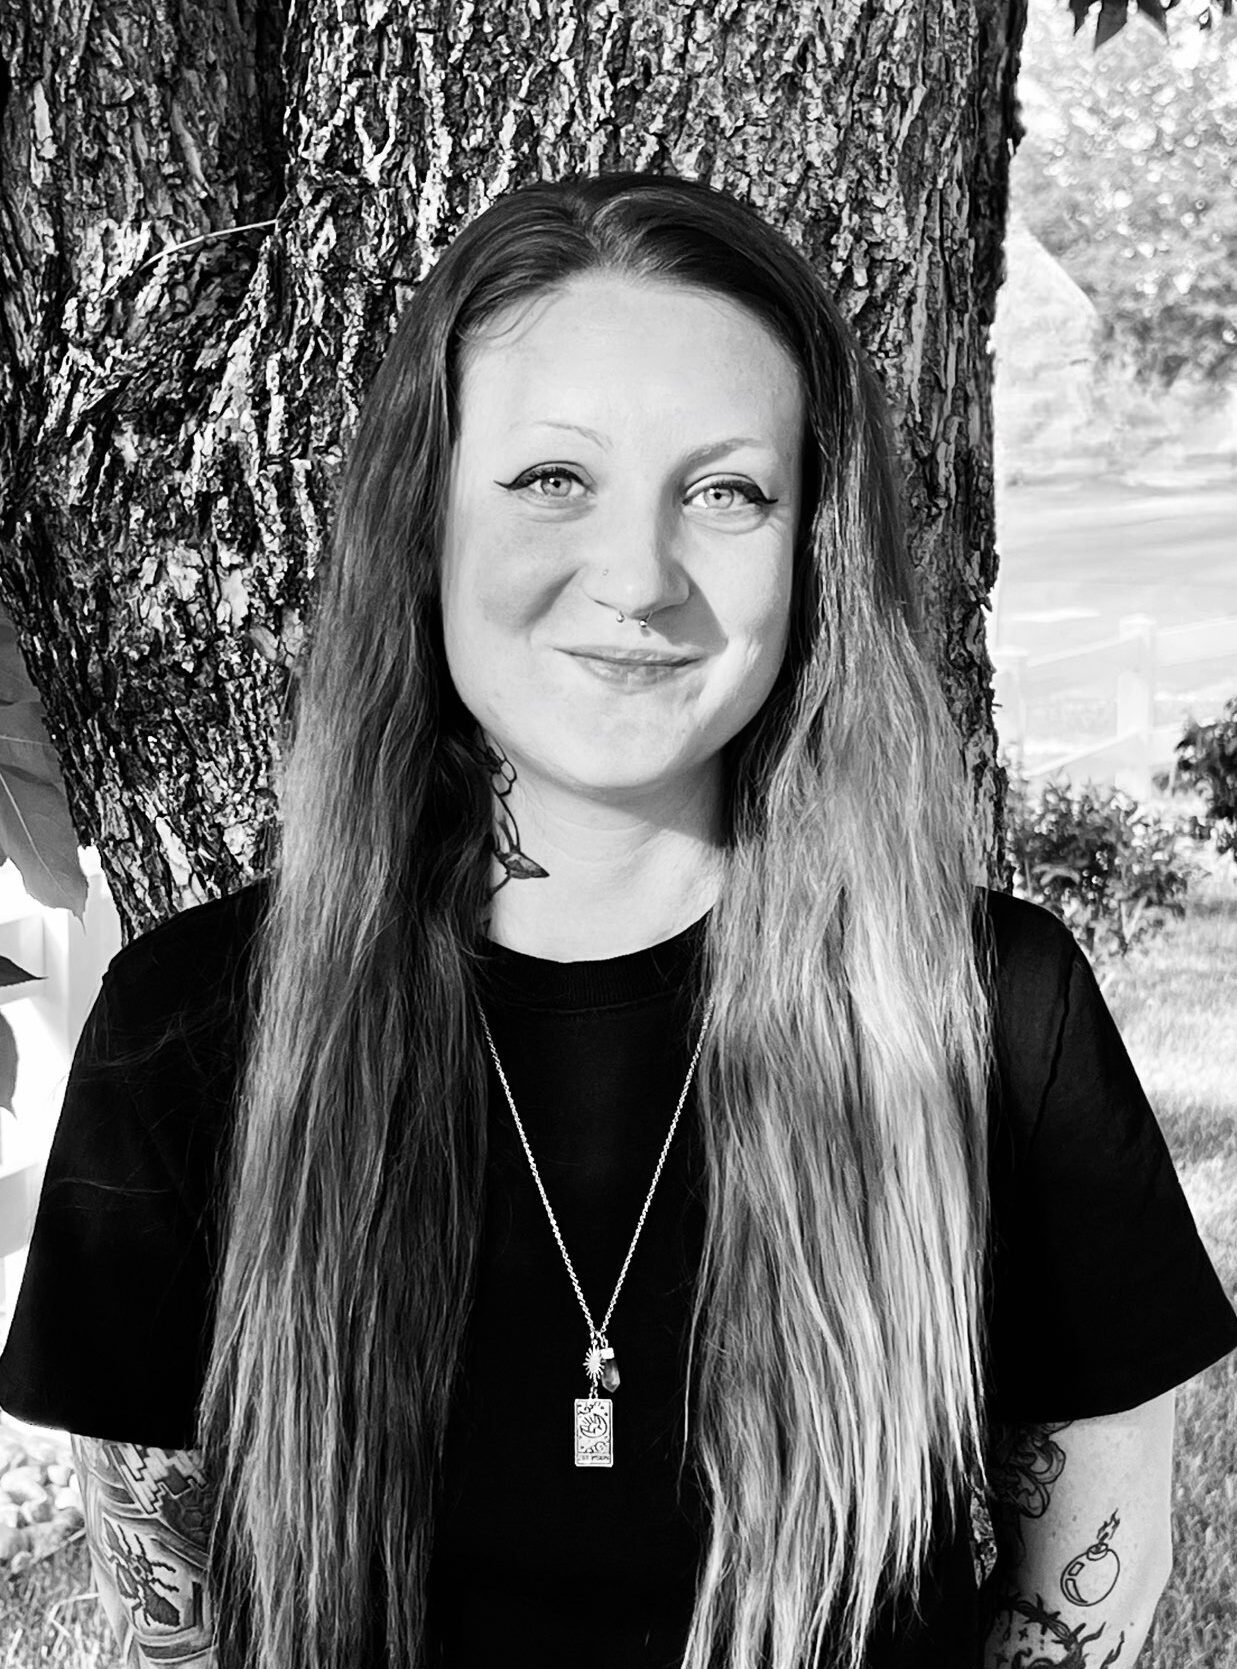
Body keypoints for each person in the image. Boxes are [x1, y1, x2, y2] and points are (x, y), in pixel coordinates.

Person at [0, 171, 1233, 1669]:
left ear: (810, 552)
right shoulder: (192, 1025)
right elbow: (165, 1616)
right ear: (423, 522)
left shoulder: (984, 1005)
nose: (639, 578)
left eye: (725, 491)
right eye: (548, 481)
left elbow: (1083, 1588)